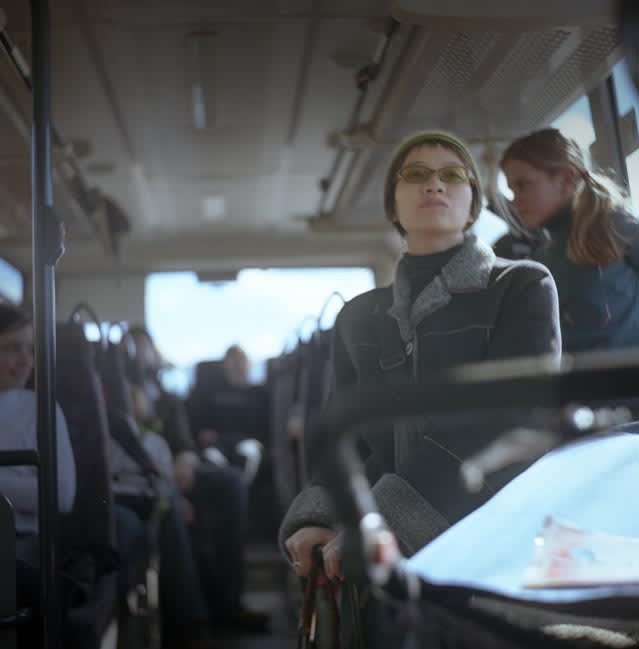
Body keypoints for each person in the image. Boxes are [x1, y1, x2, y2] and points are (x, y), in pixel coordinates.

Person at [280, 131, 561, 585]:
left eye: (453, 174)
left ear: (473, 205)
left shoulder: (521, 286)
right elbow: (349, 440)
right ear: (393, 207)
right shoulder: (358, 317)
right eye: (416, 175)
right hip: (385, 554)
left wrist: (389, 519)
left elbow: (509, 418)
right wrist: (324, 514)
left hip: (495, 531)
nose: (435, 185)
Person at [500, 128, 639, 353]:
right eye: (512, 190)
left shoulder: (618, 228)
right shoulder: (542, 256)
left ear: (567, 179)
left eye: (523, 185)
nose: (514, 201)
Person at [0, 302, 77, 644]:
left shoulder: (41, 408)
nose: (26, 360)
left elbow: (60, 495)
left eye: (29, 349)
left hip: (21, 540)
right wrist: (21, 484)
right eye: (12, 348)